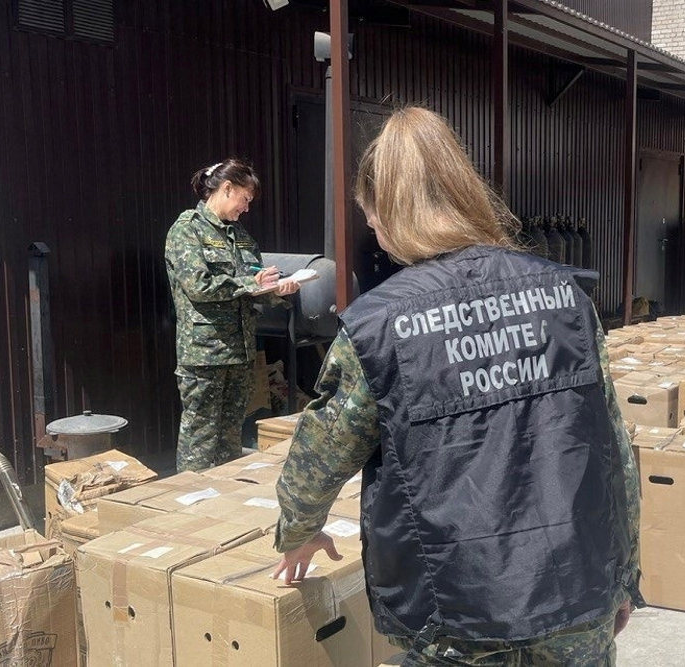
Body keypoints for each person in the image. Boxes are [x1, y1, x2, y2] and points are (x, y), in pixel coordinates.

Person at [273, 108, 641, 665]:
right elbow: (615, 449)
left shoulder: (379, 327)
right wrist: (623, 574)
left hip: (457, 610)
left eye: (370, 216)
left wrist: (297, 529)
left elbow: (320, 454)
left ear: (392, 211)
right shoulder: (564, 297)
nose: (371, 230)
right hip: (575, 587)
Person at [165, 158, 299, 472]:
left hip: (240, 352)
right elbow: (198, 286)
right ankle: (186, 510)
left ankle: (220, 507)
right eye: (245, 199)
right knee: (200, 439)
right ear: (227, 189)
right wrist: (250, 284)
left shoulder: (240, 235)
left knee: (229, 438)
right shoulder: (187, 229)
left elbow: (253, 281)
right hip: (204, 354)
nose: (247, 208)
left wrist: (275, 290)